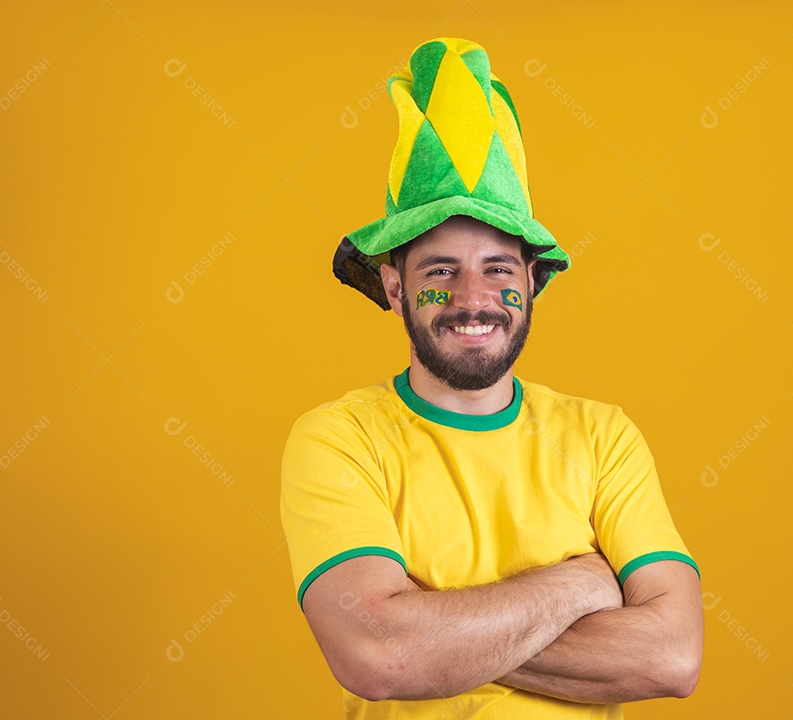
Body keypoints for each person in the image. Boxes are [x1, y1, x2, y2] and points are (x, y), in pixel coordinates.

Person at [280, 37, 702, 719]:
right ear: (393, 286)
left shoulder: (603, 437)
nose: (472, 298)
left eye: (499, 269)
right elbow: (379, 658)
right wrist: (578, 586)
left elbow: (673, 656)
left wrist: (429, 622)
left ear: (532, 282)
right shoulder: (339, 438)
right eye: (440, 271)